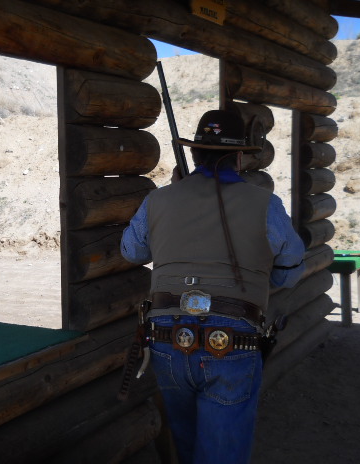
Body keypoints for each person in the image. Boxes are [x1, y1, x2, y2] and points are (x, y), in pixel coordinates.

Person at [120, 109, 305, 464]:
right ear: (240, 157)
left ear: (194, 154)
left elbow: (132, 251)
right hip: (233, 339)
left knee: (187, 446)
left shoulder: (159, 199)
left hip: (167, 339)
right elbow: (289, 272)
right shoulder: (265, 204)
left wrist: (176, 197)